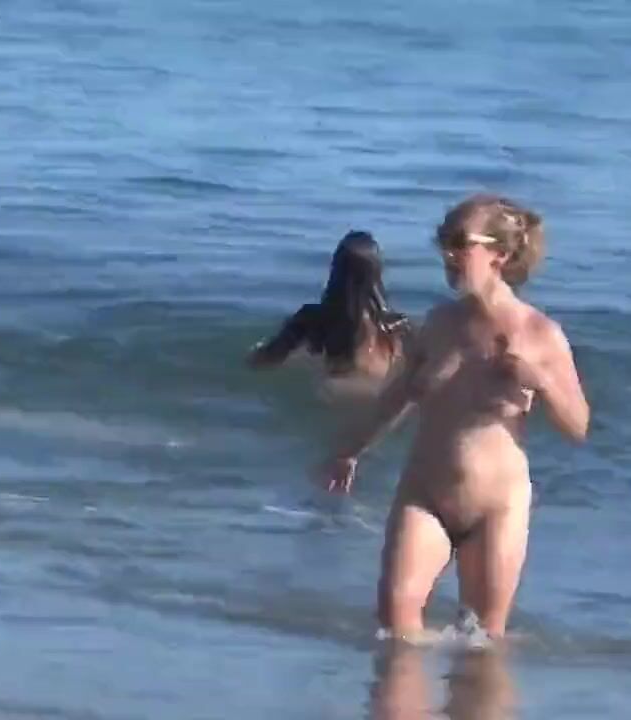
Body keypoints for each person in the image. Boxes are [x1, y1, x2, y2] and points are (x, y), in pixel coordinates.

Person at [320, 194, 589, 639]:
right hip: (425, 493)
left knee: (483, 639)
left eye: (460, 242)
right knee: (395, 624)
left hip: (497, 506)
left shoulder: (540, 334)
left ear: (500, 255)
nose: (447, 253)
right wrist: (350, 451)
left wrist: (540, 379)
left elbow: (578, 425)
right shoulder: (439, 323)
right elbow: (398, 396)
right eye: (443, 240)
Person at [248, 231, 413, 479]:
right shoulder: (398, 326)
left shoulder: (311, 320)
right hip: (376, 419)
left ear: (335, 271)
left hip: (328, 410)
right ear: (377, 274)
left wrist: (259, 352)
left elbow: (262, 361)